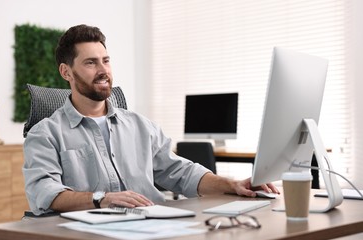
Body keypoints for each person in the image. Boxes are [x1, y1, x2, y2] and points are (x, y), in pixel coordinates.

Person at [23, 24, 279, 217]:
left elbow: (182, 173)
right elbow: (45, 192)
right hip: (92, 238)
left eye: (106, 61)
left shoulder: (139, 126)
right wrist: (102, 198)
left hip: (152, 225)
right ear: (66, 71)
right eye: (91, 63)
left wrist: (231, 184)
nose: (103, 71)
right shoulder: (45, 134)